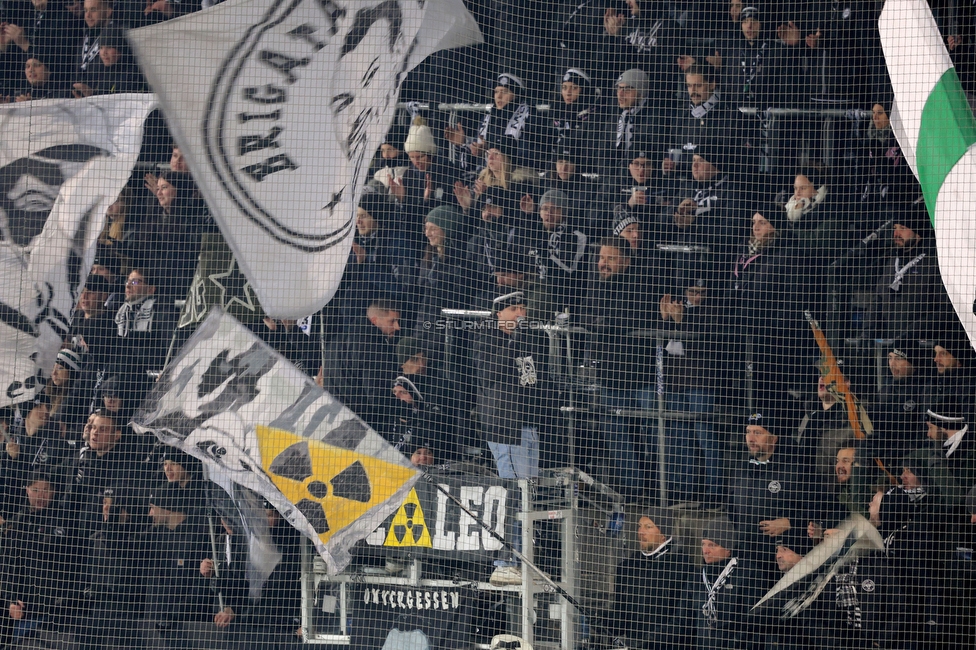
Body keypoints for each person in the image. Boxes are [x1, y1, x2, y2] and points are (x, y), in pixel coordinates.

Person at [583, 237, 653, 500]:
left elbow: (630, 317)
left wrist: (603, 322)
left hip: (641, 375)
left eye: (610, 258)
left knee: (652, 435)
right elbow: (585, 315)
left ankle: (658, 489)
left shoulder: (640, 282)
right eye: (601, 258)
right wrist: (605, 322)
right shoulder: (597, 284)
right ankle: (632, 489)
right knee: (615, 434)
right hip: (609, 375)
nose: (603, 264)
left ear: (626, 260)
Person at [0, 472, 78, 649]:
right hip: (27, 609)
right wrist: (11, 599)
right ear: (27, 490)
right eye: (36, 490)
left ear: (54, 492)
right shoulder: (17, 523)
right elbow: (8, 565)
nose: (41, 496)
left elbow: (63, 555)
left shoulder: (65, 520)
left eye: (46, 490)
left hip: (59, 610)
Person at [611, 509, 692, 649]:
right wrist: (604, 620)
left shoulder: (682, 566)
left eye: (648, 527)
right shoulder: (627, 567)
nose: (641, 532)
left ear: (663, 535)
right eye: (639, 526)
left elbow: (684, 621)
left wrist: (650, 639)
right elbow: (620, 615)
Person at [692, 516, 763, 650]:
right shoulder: (697, 576)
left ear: (728, 548)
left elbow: (752, 624)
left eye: (712, 545)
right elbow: (683, 621)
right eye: (703, 544)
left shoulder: (748, 574)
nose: (705, 550)